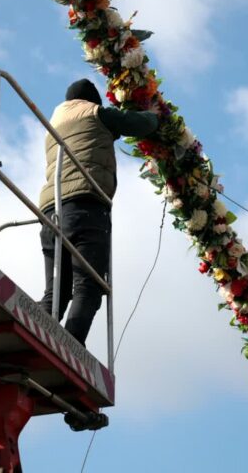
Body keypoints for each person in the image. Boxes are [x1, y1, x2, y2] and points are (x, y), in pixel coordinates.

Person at [38, 78, 159, 346]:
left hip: (49, 210)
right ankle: (69, 349)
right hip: (85, 207)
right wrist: (153, 112)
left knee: (56, 292)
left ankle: (35, 334)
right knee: (88, 286)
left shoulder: (54, 124)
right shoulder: (96, 113)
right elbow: (142, 125)